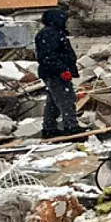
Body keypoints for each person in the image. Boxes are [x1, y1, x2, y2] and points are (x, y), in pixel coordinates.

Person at [35, 9, 80, 139]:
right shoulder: (50, 34)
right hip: (56, 73)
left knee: (53, 102)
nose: (67, 22)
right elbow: (49, 55)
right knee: (66, 100)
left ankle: (49, 128)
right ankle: (71, 127)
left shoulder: (52, 33)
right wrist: (61, 69)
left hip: (52, 72)